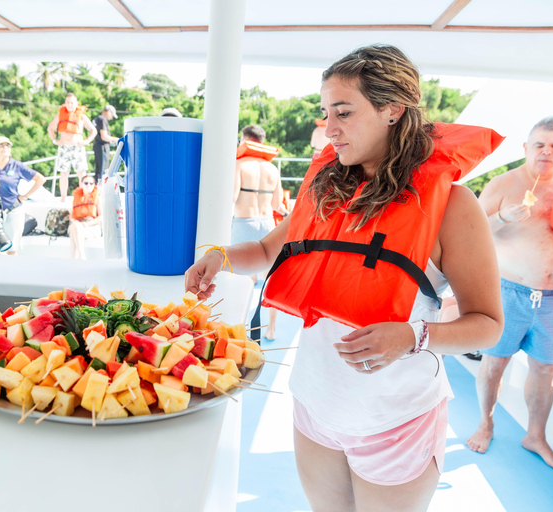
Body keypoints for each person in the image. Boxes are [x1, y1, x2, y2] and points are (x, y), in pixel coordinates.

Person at [185, 45, 505, 511]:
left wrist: (412, 336)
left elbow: (488, 324)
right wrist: (218, 257)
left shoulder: (454, 206)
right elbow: (262, 251)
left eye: (343, 112)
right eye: (324, 112)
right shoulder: (324, 187)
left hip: (396, 419)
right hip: (314, 405)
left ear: (392, 109)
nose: (328, 128)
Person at [467, 117, 553, 474]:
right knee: (494, 364)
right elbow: (470, 232)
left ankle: (535, 435)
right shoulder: (503, 183)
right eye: (539, 144)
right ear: (526, 147)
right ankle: (485, 424)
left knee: (545, 370)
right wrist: (503, 216)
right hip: (509, 293)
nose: (546, 152)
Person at [232, 124, 283, 340]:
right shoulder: (272, 169)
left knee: (241, 279)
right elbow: (277, 204)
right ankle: (270, 329)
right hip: (267, 224)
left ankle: (239, 328)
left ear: (244, 141)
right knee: (271, 279)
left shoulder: (239, 165)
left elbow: (232, 198)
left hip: (244, 223)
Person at [0, 136, 47, 255]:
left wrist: (25, 196)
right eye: (1, 145)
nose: (5, 148)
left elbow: (40, 179)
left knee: (11, 248)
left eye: (8, 145)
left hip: (13, 210)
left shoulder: (16, 166)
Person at [47, 92, 97, 202]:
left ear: (76, 103)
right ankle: (63, 198)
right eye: (68, 103)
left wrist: (87, 141)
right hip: (64, 148)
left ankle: (83, 198)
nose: (70, 105)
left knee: (81, 173)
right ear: (65, 103)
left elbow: (93, 130)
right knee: (63, 173)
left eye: (72, 103)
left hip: (77, 148)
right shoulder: (60, 115)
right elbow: (50, 128)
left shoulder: (82, 116)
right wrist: (55, 140)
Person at [69, 175, 102, 259]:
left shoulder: (97, 198)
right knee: (75, 226)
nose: (89, 185)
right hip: (77, 225)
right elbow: (71, 216)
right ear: (82, 184)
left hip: (92, 226)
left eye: (91, 183)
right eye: (86, 183)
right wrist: (76, 222)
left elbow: (101, 217)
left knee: (75, 228)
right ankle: (80, 257)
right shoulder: (77, 197)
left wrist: (87, 224)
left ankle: (77, 257)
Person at [92, 105, 119, 183]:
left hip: (97, 145)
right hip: (102, 147)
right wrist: (116, 139)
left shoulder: (97, 118)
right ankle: (101, 190)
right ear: (108, 112)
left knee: (98, 169)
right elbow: (104, 136)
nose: (111, 118)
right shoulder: (102, 119)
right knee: (103, 169)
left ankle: (97, 189)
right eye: (112, 115)